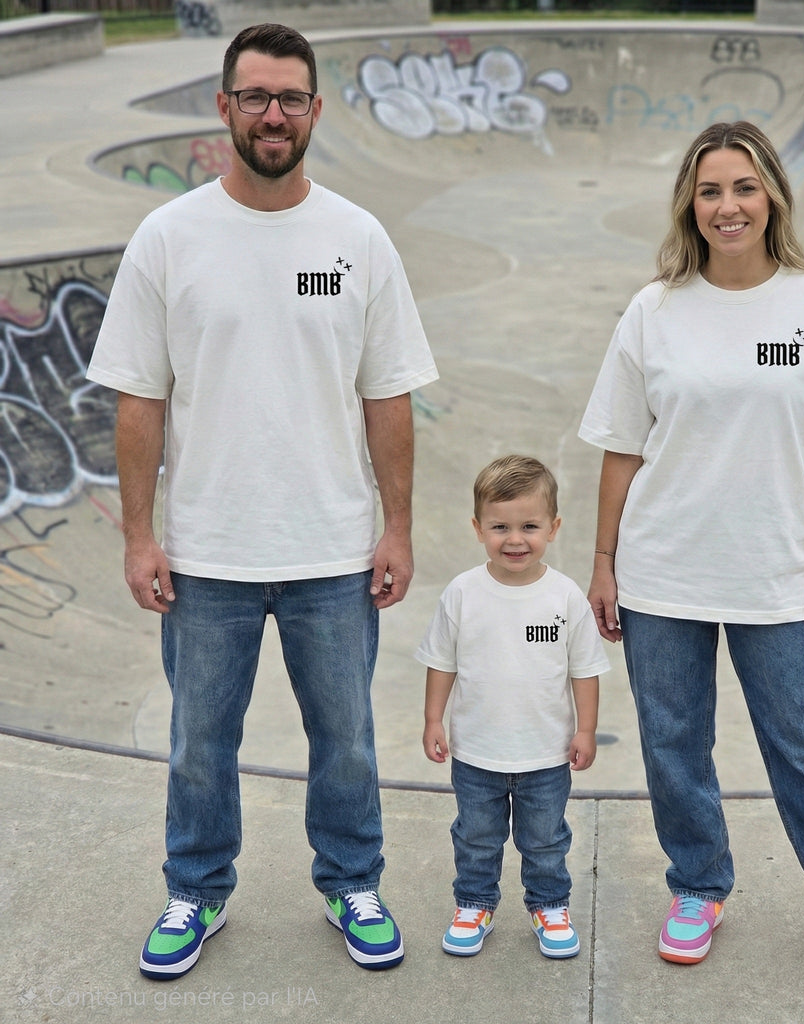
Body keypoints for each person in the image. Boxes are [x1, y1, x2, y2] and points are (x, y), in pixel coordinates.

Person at [86, 23, 438, 979]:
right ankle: (195, 893)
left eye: (290, 98)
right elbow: (137, 398)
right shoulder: (171, 236)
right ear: (225, 108)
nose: (273, 114)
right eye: (255, 96)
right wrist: (138, 536)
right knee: (200, 742)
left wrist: (397, 528)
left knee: (349, 740)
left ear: (316, 111)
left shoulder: (357, 238)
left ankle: (351, 881)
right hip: (207, 551)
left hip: (331, 548)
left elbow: (389, 394)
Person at [578, 121, 804, 989]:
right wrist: (604, 564)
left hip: (776, 573)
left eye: (745, 188)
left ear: (773, 199)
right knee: (674, 744)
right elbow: (621, 447)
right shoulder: (656, 309)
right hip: (664, 568)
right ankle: (697, 888)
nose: (729, 206)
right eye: (712, 189)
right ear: (691, 202)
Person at [417, 455, 609, 959]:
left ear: (554, 527)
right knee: (476, 838)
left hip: (545, 754)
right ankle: (474, 905)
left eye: (530, 526)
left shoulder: (564, 597)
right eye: (500, 526)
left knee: (545, 839)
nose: (515, 539)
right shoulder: (463, 592)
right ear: (478, 528)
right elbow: (442, 662)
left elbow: (584, 670)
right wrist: (433, 718)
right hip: (476, 751)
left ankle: (549, 905)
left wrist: (586, 730)